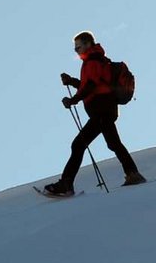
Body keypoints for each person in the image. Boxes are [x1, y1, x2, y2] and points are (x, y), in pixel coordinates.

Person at [43, 31, 145, 195]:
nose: (76, 50)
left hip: (101, 110)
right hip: (105, 109)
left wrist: (73, 100)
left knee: (79, 144)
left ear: (88, 44)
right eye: (75, 48)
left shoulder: (93, 61)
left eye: (79, 46)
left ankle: (66, 184)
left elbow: (90, 86)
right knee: (112, 143)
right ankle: (133, 174)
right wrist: (71, 81)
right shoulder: (95, 60)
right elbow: (91, 86)